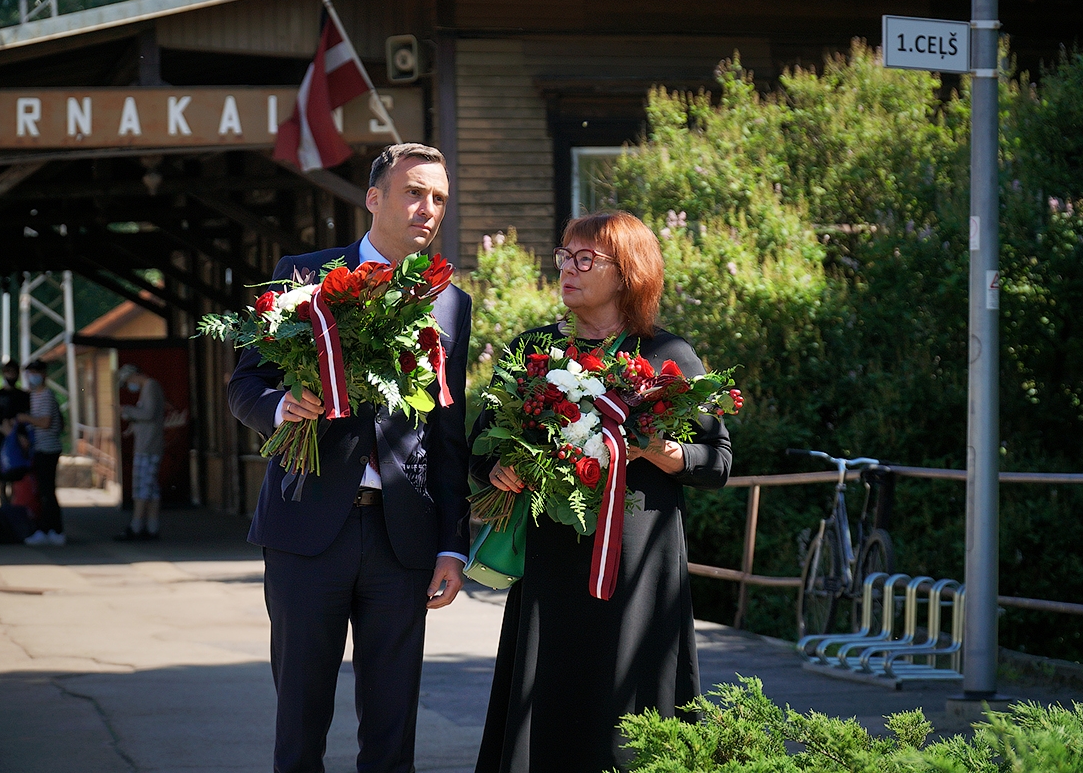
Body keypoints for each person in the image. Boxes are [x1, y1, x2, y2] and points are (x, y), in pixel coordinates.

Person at [227, 143, 472, 773]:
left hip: (403, 539)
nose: (428, 209)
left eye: (439, 198)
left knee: (393, 729)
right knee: (302, 722)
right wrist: (283, 407)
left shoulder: (450, 302)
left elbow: (446, 434)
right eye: (414, 192)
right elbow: (243, 387)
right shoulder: (304, 276)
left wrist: (452, 544)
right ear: (373, 198)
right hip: (307, 529)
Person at [471, 212, 733, 773]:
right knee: (548, 698)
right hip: (553, 559)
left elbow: (718, 460)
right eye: (564, 255)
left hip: (639, 563)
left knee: (633, 706)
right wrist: (499, 468)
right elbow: (480, 445)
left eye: (585, 258)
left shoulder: (670, 355)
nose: (567, 267)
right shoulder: (533, 351)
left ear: (628, 272)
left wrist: (668, 454)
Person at [113, 365, 166, 541]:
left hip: (148, 446)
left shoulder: (150, 386)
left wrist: (126, 411)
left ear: (134, 376)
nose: (129, 385)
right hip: (149, 444)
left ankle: (136, 526)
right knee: (151, 489)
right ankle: (152, 527)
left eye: (128, 381)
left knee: (141, 488)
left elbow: (149, 413)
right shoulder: (150, 387)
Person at [16, 359, 65, 547]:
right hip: (38, 449)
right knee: (41, 492)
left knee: (47, 492)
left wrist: (26, 418)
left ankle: (55, 530)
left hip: (48, 449)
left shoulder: (46, 395)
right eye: (29, 373)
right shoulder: (32, 396)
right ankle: (45, 529)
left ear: (44, 374)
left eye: (35, 372)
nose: (32, 377)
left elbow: (46, 422)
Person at [0, 360, 30, 499]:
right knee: (2, 480)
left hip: (20, 442)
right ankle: (4, 510)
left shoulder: (24, 396)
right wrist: (2, 429)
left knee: (18, 480)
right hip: (0, 443)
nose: (10, 376)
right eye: (8, 372)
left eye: (13, 372)